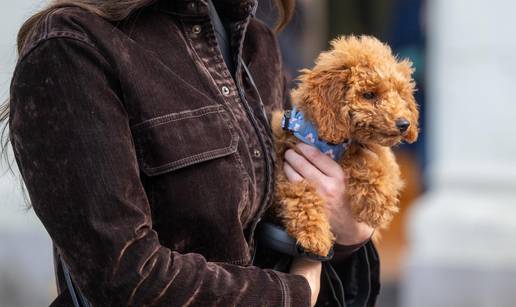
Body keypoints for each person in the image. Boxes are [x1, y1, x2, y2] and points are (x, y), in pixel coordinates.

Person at [1, 0, 380, 306]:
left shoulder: (256, 41)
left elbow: (278, 227)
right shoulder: (72, 47)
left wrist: (348, 234)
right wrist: (293, 293)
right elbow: (125, 276)